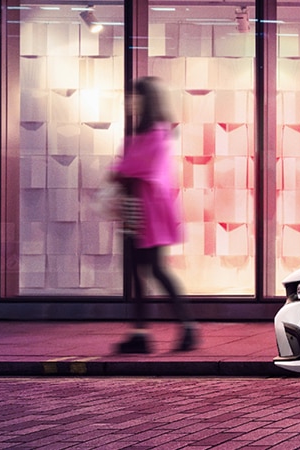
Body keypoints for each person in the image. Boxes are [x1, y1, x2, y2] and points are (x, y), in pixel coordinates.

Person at [112, 76, 195, 354]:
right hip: (138, 210)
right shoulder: (147, 133)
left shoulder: (156, 134)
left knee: (155, 270)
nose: (130, 101)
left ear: (146, 100)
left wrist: (122, 172)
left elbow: (131, 168)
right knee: (140, 271)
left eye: (135, 96)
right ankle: (142, 333)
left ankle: (185, 327)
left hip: (148, 213)